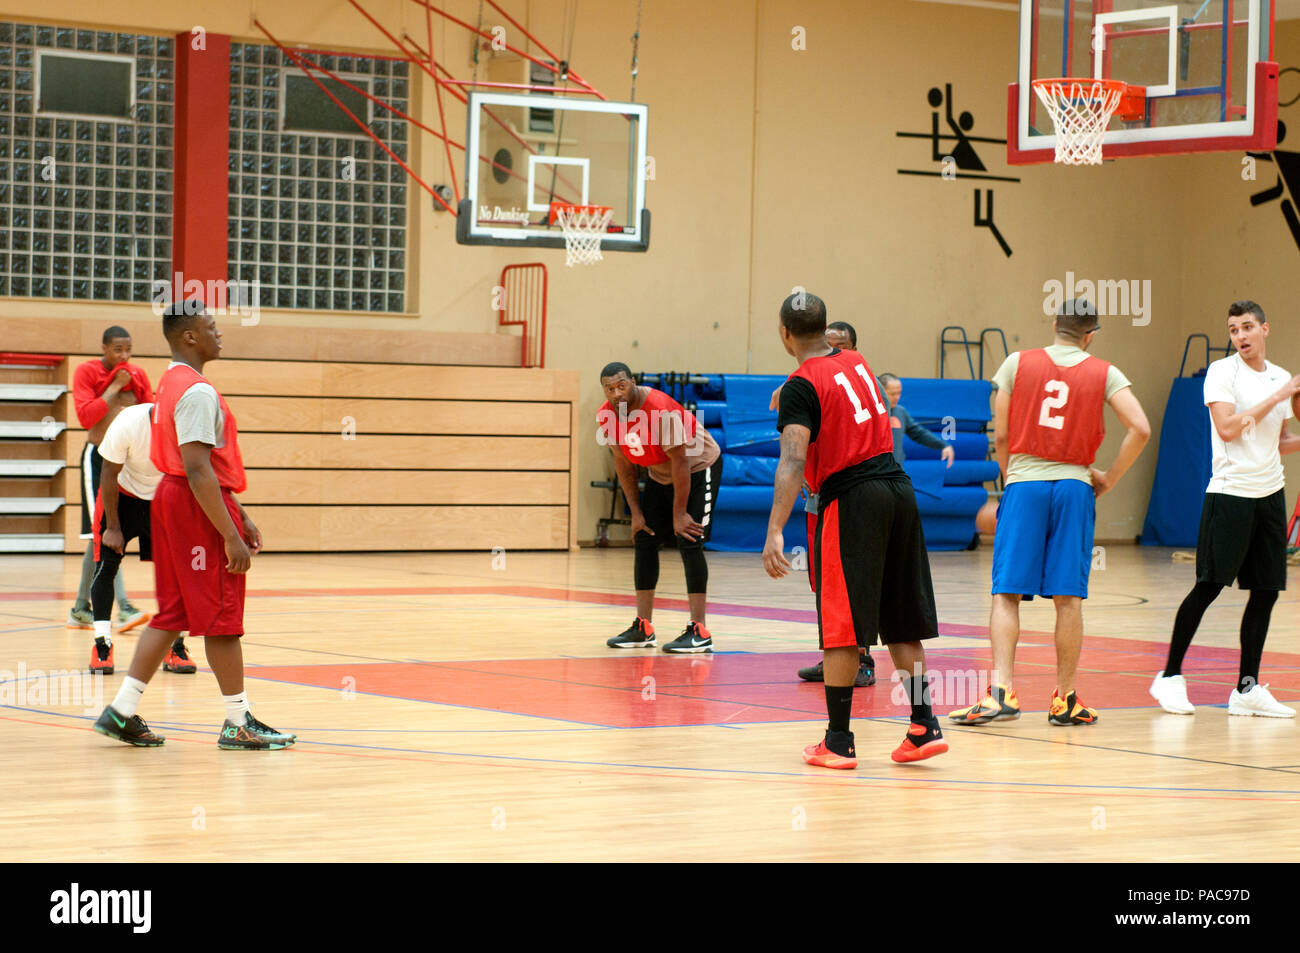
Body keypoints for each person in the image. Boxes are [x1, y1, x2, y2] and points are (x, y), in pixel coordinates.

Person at [94, 302, 294, 749]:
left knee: (174, 614)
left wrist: (239, 512)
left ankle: (121, 710)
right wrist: (230, 536)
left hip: (170, 497)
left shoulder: (169, 383)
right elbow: (199, 469)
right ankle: (238, 721)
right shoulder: (198, 391)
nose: (219, 333)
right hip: (192, 503)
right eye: (211, 327)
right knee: (221, 616)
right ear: (189, 336)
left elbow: (202, 467)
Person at [763, 292, 948, 766]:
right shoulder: (858, 361)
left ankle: (838, 741)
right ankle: (924, 725)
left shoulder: (802, 384)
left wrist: (775, 529)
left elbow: (793, 458)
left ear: (784, 334)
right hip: (898, 490)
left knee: (841, 627)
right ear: (827, 331)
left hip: (853, 498)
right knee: (902, 620)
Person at [949, 299, 1150, 728]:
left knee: (1005, 592)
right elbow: (1141, 428)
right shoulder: (1106, 371)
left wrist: (1012, 480)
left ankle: (1001, 692)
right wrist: (1109, 478)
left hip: (1025, 483)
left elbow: (1001, 434)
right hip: (1076, 487)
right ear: (1090, 335)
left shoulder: (1017, 363)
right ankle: (1065, 699)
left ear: (1055, 324)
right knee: (1068, 599)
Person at [1150, 301, 1300, 717]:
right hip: (1230, 494)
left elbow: (1280, 441)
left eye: (1248, 327)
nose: (1241, 336)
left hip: (1270, 495)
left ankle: (1247, 689)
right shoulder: (1222, 373)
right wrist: (1279, 395)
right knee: (1209, 586)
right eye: (1234, 330)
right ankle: (1169, 678)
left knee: (1266, 592)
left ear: (1265, 329)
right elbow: (1229, 429)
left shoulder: (1281, 377)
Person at [598, 362, 724, 653]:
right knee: (644, 536)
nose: (617, 393)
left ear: (632, 382)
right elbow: (623, 464)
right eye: (609, 388)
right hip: (660, 470)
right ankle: (643, 627)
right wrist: (636, 514)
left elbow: (681, 462)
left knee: (689, 538)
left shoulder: (658, 409)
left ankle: (700, 630)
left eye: (622, 385)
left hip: (698, 465)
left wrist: (679, 515)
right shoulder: (607, 415)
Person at [88, 400, 195, 676]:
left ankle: (176, 646)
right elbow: (109, 473)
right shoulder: (128, 423)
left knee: (177, 574)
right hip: (121, 496)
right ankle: (102, 643)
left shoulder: (187, 428)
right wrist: (113, 526)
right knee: (106, 566)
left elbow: (194, 476)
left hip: (163, 498)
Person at [68, 327, 152, 632]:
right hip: (98, 459)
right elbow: (86, 416)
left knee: (100, 537)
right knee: (102, 533)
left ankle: (80, 608)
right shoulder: (87, 372)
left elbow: (149, 413)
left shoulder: (138, 374)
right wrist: (115, 386)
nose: (124, 356)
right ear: (104, 348)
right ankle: (124, 607)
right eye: (118, 350)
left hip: (128, 462)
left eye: (128, 350)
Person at [876, 373, 956, 469]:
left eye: (899, 393)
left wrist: (943, 445)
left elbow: (919, 433)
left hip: (896, 473)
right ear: (879, 391)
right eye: (893, 394)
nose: (897, 397)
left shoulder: (900, 412)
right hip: (875, 474)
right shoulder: (871, 414)